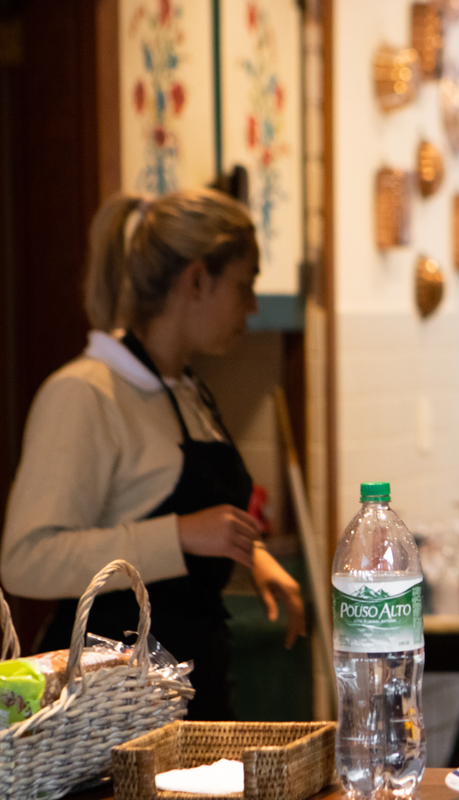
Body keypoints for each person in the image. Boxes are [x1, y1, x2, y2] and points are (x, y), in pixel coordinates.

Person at [0, 189, 305, 720]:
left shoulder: (188, 389)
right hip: (108, 710)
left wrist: (250, 554)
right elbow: (26, 560)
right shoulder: (84, 393)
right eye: (245, 284)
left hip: (190, 685)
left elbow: (177, 508)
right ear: (196, 280)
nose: (253, 306)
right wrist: (180, 535)